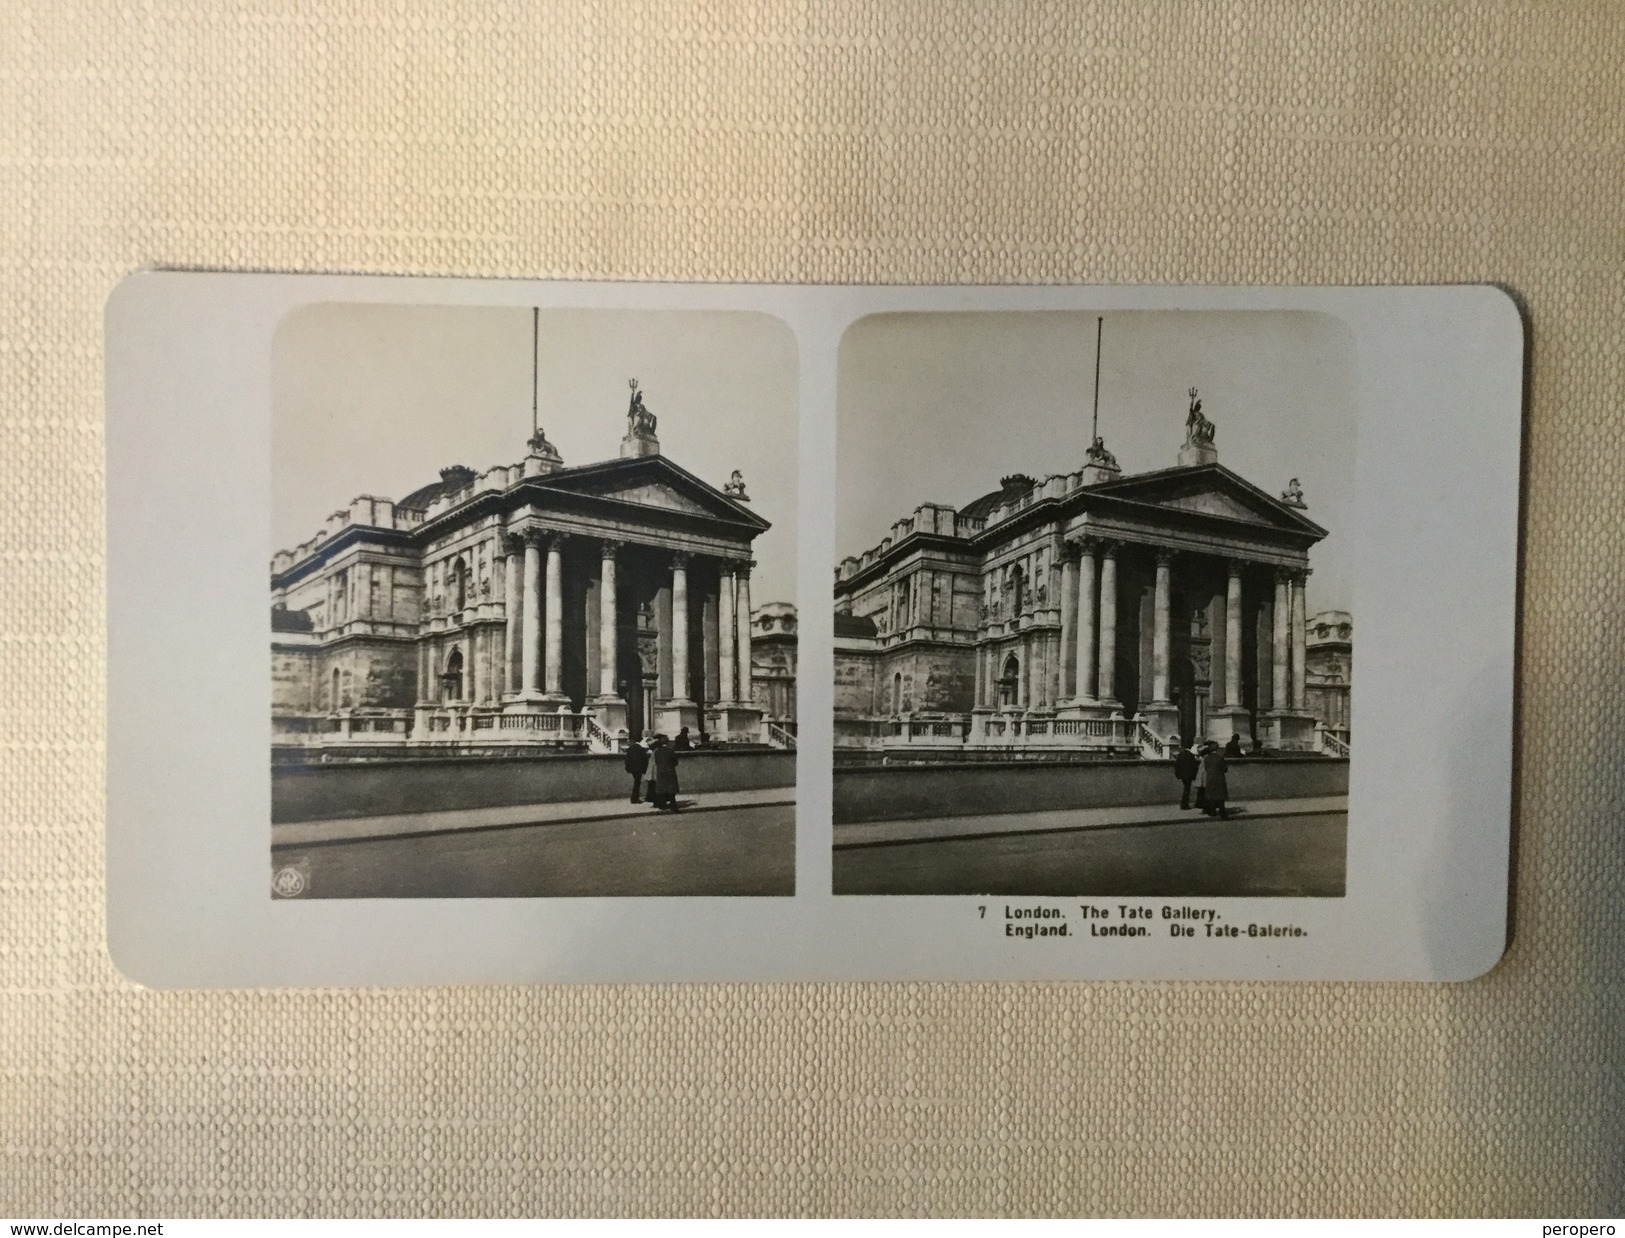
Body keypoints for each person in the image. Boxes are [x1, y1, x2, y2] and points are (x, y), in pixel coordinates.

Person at [649, 733, 682, 812]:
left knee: (662, 789)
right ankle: (673, 806)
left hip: (661, 772)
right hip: (670, 771)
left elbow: (656, 762)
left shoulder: (657, 752)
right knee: (671, 789)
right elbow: (675, 762)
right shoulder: (670, 751)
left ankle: (662, 805)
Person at [1201, 742, 1230, 819]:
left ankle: (1212, 811)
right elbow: (1225, 769)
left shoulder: (1207, 758)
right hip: (1219, 778)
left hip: (1210, 777)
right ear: (1217, 749)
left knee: (1211, 795)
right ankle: (1222, 811)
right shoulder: (1219, 758)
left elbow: (1206, 768)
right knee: (1220, 795)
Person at [623, 734, 651, 804]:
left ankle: (634, 798)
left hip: (633, 768)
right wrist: (645, 769)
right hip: (640, 768)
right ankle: (635, 798)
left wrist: (627, 768)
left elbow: (627, 760)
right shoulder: (641, 749)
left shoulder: (630, 749)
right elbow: (645, 760)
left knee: (637, 783)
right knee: (637, 783)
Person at [1173, 739, 1199, 810]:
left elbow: (1177, 765)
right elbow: (1194, 766)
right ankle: (1184, 804)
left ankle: (1184, 803)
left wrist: (1178, 774)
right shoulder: (1190, 755)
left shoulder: (1180, 754)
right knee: (1187, 789)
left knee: (1186, 789)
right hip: (1189, 775)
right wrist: (1194, 775)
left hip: (1182, 774)